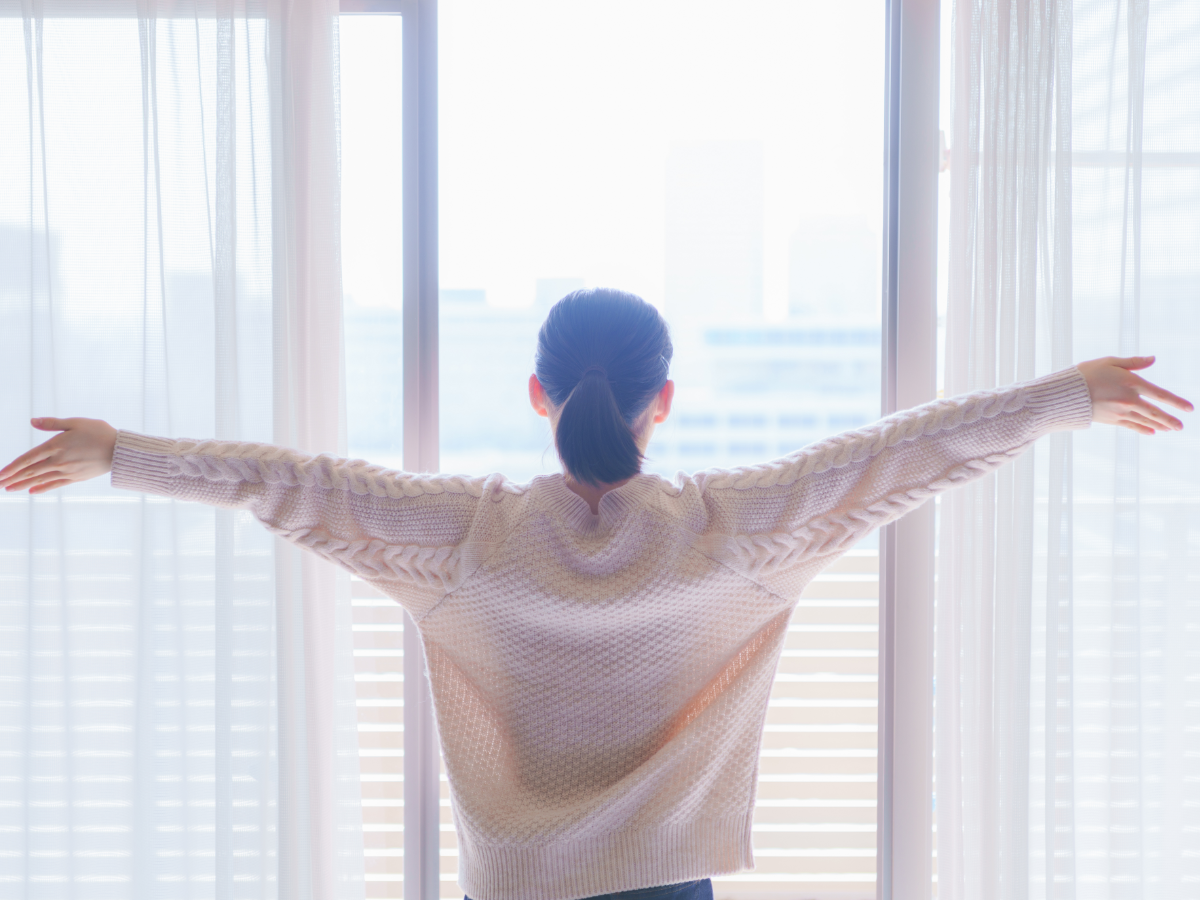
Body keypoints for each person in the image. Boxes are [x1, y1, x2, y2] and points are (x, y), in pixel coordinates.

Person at [0, 288, 1192, 900]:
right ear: (662, 400)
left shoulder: (459, 540)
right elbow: (900, 456)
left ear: (536, 393)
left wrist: (120, 453)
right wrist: (1066, 395)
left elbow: (285, 486)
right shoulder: (737, 537)